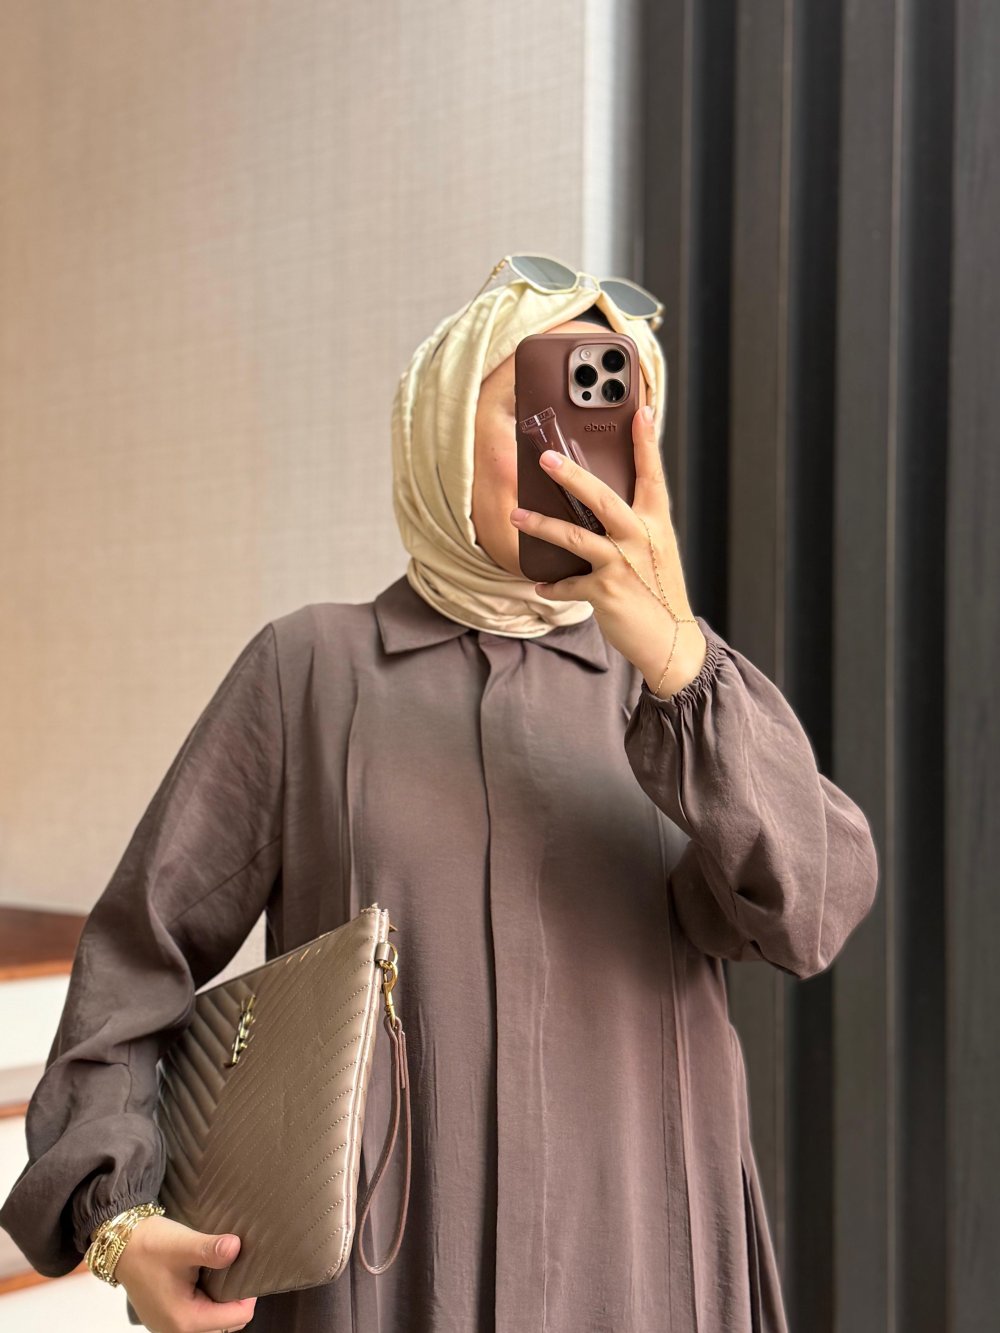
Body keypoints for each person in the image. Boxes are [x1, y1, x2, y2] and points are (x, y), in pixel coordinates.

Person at [0, 258, 879, 1333]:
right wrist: (119, 1219)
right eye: (533, 410)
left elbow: (812, 909)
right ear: (441, 420)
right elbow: (138, 952)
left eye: (611, 417)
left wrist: (679, 664)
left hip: (645, 1269)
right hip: (384, 1279)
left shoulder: (683, 696)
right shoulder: (310, 671)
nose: (569, 453)